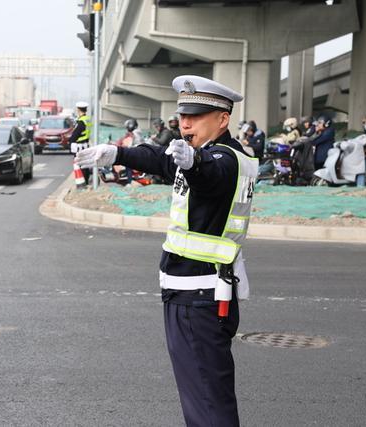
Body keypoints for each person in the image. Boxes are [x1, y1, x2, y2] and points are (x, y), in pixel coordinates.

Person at [76, 75, 258, 427]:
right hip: (197, 293)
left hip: (199, 296)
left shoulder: (222, 160)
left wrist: (195, 164)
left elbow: (212, 175)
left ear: (223, 119)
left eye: (197, 116)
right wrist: (118, 153)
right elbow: (160, 158)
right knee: (203, 396)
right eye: (183, 116)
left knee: (207, 401)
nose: (185, 123)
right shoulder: (204, 154)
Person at [69, 101, 92, 184]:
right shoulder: (87, 119)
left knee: (81, 165)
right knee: (84, 164)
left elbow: (76, 134)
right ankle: (85, 180)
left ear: (78, 110)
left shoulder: (81, 121)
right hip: (85, 144)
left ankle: (83, 182)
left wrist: (71, 140)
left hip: (80, 145)